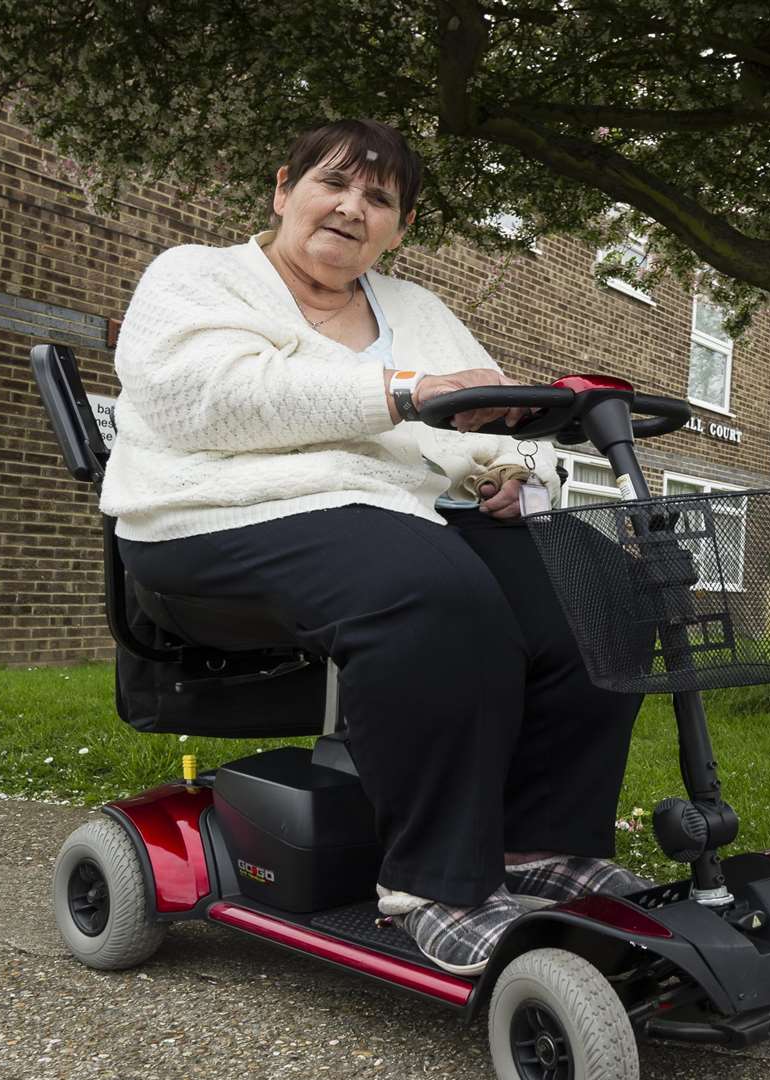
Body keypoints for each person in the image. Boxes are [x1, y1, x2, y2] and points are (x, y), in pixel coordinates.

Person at [99, 119, 648, 976]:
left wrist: (517, 470)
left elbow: (502, 407)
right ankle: (436, 887)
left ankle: (539, 845)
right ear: (284, 190)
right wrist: (405, 392)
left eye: (380, 198)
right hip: (208, 519)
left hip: (396, 517)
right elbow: (209, 401)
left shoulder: (418, 310)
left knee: (601, 585)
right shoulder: (197, 277)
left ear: (402, 228)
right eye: (333, 183)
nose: (353, 208)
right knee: (430, 591)